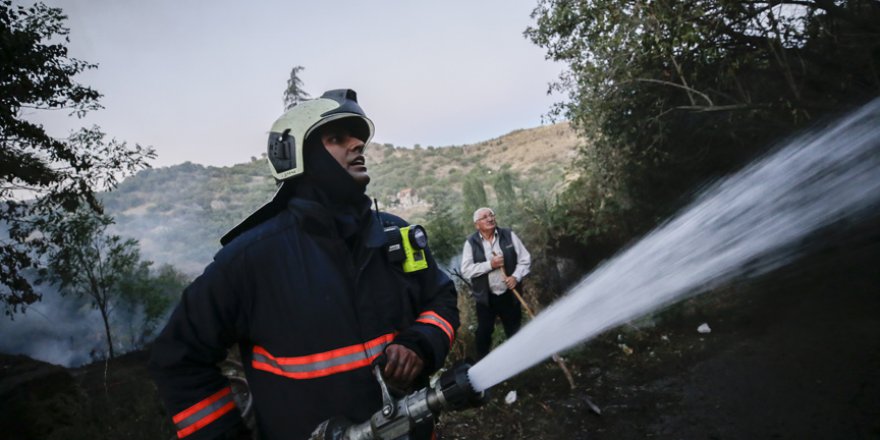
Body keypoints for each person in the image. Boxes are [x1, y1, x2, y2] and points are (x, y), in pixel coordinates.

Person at [149, 89, 459, 440]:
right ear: (298, 156)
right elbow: (177, 358)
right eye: (337, 138)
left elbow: (442, 299)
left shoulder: (395, 235)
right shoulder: (251, 259)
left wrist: (420, 342)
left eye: (358, 137)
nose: (358, 144)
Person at [460, 207, 531, 360]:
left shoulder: (509, 235)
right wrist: (490, 265)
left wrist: (515, 277)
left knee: (514, 330)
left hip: (509, 294)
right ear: (477, 224)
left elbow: (525, 260)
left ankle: (521, 361)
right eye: (484, 217)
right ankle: (483, 363)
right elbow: (466, 270)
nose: (490, 219)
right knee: (484, 333)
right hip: (486, 299)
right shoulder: (471, 243)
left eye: (491, 215)